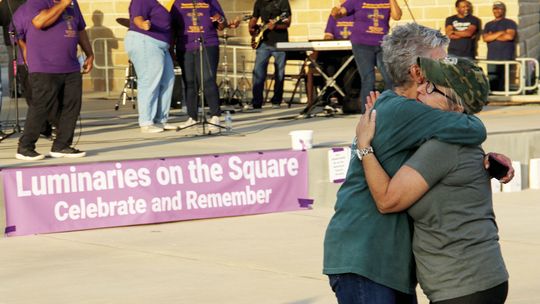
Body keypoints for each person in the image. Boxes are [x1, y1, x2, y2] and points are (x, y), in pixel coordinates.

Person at [323, 23, 505, 304]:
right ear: (418, 71)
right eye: (440, 61)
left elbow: (448, 150)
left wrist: (484, 160)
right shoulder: (403, 110)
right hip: (367, 257)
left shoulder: (403, 109)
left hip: (388, 261)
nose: (446, 67)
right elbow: (472, 128)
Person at [15, 0, 94, 161]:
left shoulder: (73, 4)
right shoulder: (36, 2)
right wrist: (64, 3)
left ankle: (62, 145)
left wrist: (89, 53)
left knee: (72, 105)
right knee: (42, 106)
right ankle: (25, 147)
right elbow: (39, 22)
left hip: (70, 65)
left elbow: (80, 29)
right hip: (44, 65)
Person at [330, 0, 401, 113]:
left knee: (390, 78)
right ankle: (367, 113)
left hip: (382, 44)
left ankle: (388, 109)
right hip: (362, 44)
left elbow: (397, 16)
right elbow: (341, 12)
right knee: (369, 79)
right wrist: (336, 12)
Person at [171, 0, 227, 133]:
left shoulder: (211, 2)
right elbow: (172, 27)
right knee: (190, 82)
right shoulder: (177, 3)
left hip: (208, 44)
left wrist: (220, 19)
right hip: (185, 46)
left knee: (208, 79)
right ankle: (192, 117)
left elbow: (222, 26)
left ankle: (215, 116)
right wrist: (171, 48)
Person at [125, 0, 176, 134]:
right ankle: (146, 122)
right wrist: (143, 24)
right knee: (149, 81)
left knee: (168, 80)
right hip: (145, 40)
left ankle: (161, 119)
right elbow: (137, 17)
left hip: (162, 46)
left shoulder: (160, 4)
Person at [11, 0, 57, 139]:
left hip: (50, 62)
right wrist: (26, 50)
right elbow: (15, 34)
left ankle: (54, 125)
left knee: (52, 96)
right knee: (33, 97)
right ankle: (43, 127)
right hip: (26, 62)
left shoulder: (53, 7)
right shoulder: (21, 11)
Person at [247, 0, 292, 111]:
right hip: (263, 43)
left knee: (279, 73)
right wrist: (251, 27)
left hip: (280, 43)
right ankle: (257, 102)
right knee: (258, 72)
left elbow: (287, 23)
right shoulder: (259, 2)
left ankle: (276, 100)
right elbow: (254, 18)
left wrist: (275, 26)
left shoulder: (283, 2)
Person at [482, 1, 517, 92]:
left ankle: (503, 99)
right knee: (492, 80)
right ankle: (493, 100)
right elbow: (486, 38)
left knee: (503, 82)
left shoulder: (510, 23)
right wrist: (502, 32)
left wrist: (492, 35)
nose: (497, 11)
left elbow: (509, 36)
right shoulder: (488, 24)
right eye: (495, 8)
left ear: (503, 10)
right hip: (492, 57)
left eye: (499, 8)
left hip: (506, 56)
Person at [0, 0, 25, 98]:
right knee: (21, 61)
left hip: (9, 35)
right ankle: (23, 88)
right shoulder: (24, 2)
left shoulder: (4, 4)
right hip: (22, 35)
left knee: (13, 61)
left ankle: (13, 89)